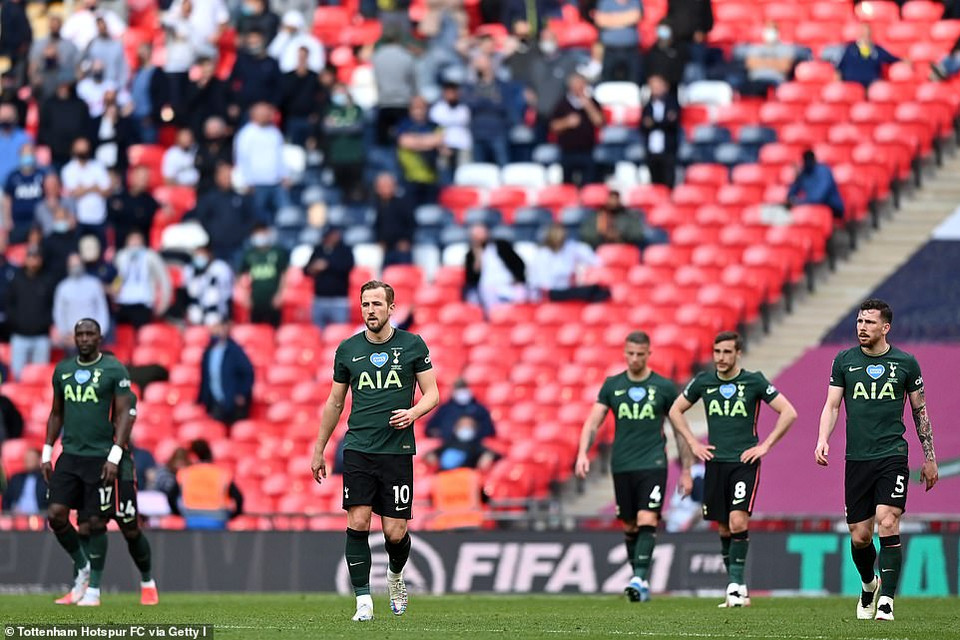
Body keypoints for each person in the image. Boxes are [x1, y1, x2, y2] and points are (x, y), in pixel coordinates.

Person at [310, 280, 440, 621]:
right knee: (358, 520)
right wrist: (319, 448)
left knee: (395, 532)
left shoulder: (412, 346)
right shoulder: (348, 349)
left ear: (391, 308)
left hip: (397, 451)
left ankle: (395, 576)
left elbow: (433, 394)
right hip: (358, 449)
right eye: (366, 304)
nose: (370, 310)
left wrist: (412, 413)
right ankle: (363, 601)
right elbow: (335, 401)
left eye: (377, 304)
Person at [815, 299, 939, 622]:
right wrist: (822, 439)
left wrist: (930, 458)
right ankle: (870, 584)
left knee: (887, 521)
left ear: (886, 328)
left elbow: (919, 411)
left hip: (893, 456)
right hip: (857, 459)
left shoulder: (906, 363)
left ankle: (886, 601)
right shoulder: (844, 361)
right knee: (860, 535)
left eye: (869, 322)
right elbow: (831, 406)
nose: (862, 327)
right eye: (859, 321)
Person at [668, 331, 797, 608]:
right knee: (725, 528)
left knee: (738, 521)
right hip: (715, 463)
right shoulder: (704, 381)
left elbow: (788, 412)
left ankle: (737, 587)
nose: (721, 357)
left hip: (744, 463)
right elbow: (675, 410)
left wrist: (765, 445)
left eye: (727, 352)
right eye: (717, 352)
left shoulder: (754, 381)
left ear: (738, 353)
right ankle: (735, 586)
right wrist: (692, 442)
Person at [576, 331, 692, 602]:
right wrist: (583, 453)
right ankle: (639, 578)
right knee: (629, 526)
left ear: (649, 354)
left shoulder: (663, 387)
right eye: (631, 353)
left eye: (641, 354)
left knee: (647, 519)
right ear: (624, 353)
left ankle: (639, 578)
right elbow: (593, 422)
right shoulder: (612, 385)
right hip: (622, 464)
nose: (635, 359)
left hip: (652, 463)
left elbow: (680, 429)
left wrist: (686, 470)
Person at [42, 318, 139, 606]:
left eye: (90, 334)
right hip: (70, 455)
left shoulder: (113, 369)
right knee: (56, 515)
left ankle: (94, 590)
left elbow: (124, 414)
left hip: (100, 457)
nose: (84, 338)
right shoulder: (64, 370)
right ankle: (82, 565)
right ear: (74, 338)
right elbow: (56, 412)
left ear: (100, 338)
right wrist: (47, 451)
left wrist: (114, 456)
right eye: (80, 334)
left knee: (96, 521)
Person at [169, 438, 244, 529]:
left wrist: (178, 512)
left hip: (192, 517)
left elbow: (171, 495)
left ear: (193, 456)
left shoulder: (185, 473)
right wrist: (234, 515)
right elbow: (238, 497)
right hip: (217, 517)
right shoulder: (222, 474)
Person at [234, 102, 290, 224]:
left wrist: (285, 175)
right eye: (264, 113)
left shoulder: (274, 133)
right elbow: (242, 159)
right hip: (256, 184)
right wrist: (246, 181)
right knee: (259, 219)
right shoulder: (246, 134)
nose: (268, 115)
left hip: (276, 183)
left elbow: (280, 156)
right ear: (254, 115)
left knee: (286, 215)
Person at [8, 247, 55, 379]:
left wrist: (45, 323)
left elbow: (53, 306)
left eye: (36, 257)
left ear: (41, 260)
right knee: (18, 376)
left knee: (39, 376)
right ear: (26, 259)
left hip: (41, 337)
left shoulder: (47, 279)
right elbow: (8, 304)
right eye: (31, 257)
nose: (33, 261)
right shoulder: (16, 279)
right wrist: (16, 323)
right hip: (19, 335)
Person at [550, 73, 604, 186]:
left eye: (581, 84)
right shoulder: (562, 104)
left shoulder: (592, 102)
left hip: (587, 151)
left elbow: (599, 121)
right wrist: (567, 122)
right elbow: (553, 126)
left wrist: (588, 106)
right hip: (567, 152)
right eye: (576, 84)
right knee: (568, 185)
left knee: (588, 184)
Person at [530, 223, 607, 302]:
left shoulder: (570, 247)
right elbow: (542, 283)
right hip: (550, 292)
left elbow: (595, 260)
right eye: (556, 234)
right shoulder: (542, 254)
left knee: (598, 291)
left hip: (567, 289)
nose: (559, 237)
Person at [198, 318, 254, 425]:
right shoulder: (208, 351)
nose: (217, 330)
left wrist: (241, 393)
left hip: (233, 401)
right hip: (215, 401)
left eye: (219, 327)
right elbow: (205, 377)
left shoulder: (234, 350)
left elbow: (247, 373)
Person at [113, 232, 172, 328]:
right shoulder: (121, 256)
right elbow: (118, 277)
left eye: (137, 240)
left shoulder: (151, 256)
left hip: (143, 303)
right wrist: (114, 295)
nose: (135, 243)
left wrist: (163, 304)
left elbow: (164, 279)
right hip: (123, 302)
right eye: (132, 240)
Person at [53, 253, 110, 353]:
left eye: (78, 264)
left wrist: (100, 333)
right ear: (68, 266)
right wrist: (65, 334)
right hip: (71, 339)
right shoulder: (62, 287)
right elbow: (59, 313)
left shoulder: (94, 284)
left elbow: (102, 310)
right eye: (73, 265)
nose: (76, 268)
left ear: (83, 265)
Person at [464, 223, 527, 310]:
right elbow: (471, 279)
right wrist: (477, 257)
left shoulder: (502, 246)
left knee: (521, 295)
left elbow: (519, 264)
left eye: (481, 233)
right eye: (476, 235)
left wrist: (517, 279)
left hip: (509, 285)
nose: (479, 237)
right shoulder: (471, 255)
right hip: (486, 290)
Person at [60, 137, 110, 245]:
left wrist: (83, 188)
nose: (82, 152)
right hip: (79, 219)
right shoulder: (68, 169)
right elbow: (73, 193)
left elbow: (106, 191)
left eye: (85, 149)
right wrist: (94, 187)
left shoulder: (98, 167)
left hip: (98, 217)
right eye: (80, 149)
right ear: (74, 150)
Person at [372, 26, 418, 146]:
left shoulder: (377, 56)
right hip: (403, 103)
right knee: (403, 141)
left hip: (384, 102)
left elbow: (376, 80)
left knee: (384, 142)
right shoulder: (406, 56)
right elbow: (413, 81)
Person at [239, 224, 288, 326]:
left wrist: (280, 295)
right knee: (256, 331)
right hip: (256, 299)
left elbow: (284, 275)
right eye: (257, 234)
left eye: (262, 233)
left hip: (273, 299)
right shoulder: (249, 254)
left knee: (274, 330)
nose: (260, 237)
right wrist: (245, 296)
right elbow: (242, 277)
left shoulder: (277, 253)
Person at [305, 226, 354, 328]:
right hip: (319, 299)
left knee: (339, 333)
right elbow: (306, 270)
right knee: (317, 333)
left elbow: (348, 266)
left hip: (338, 300)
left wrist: (327, 265)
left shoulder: (345, 250)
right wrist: (314, 268)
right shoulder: (318, 250)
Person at [641, 74, 680, 188]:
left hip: (668, 151)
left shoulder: (672, 104)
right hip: (651, 151)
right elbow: (644, 125)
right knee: (654, 184)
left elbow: (673, 123)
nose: (655, 89)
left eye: (658, 86)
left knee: (668, 183)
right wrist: (663, 122)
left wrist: (654, 123)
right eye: (653, 87)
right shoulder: (647, 106)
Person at [425, 378, 495, 443]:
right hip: (449, 444)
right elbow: (430, 429)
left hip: (475, 445)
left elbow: (489, 430)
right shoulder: (444, 409)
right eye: (459, 389)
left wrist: (475, 434)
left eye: (464, 388)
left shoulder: (479, 409)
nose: (462, 392)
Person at [3, 142, 46, 243]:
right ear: (20, 155)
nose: (27, 156)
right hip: (18, 223)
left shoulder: (41, 175)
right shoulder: (13, 176)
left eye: (30, 153)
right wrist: (8, 219)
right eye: (25, 154)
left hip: (37, 223)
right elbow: (7, 200)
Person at [182, 244, 234, 325]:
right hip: (196, 310)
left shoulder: (220, 268)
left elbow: (227, 293)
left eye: (202, 253)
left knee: (212, 293)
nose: (199, 257)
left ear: (209, 254)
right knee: (194, 314)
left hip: (216, 312)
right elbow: (187, 292)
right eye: (197, 254)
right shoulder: (189, 269)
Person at [787, 149, 845, 220]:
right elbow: (790, 196)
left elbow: (818, 198)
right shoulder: (803, 173)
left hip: (831, 208)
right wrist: (796, 178)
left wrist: (799, 202)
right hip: (813, 209)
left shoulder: (823, 171)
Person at [837, 23, 898, 89]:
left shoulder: (876, 49)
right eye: (862, 33)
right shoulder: (850, 49)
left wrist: (904, 61)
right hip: (852, 87)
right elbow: (839, 69)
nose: (865, 36)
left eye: (867, 33)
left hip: (872, 87)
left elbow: (892, 59)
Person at [373, 173, 415, 268]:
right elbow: (376, 226)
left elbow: (412, 224)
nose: (386, 189)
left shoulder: (403, 204)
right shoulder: (376, 205)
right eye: (382, 186)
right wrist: (379, 241)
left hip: (401, 247)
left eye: (388, 186)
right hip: (385, 248)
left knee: (402, 274)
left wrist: (407, 240)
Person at [426, 415, 497, 471]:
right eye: (462, 425)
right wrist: (430, 456)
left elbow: (494, 455)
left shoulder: (476, 446)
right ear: (456, 428)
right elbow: (431, 454)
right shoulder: (448, 443)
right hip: (444, 478)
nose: (465, 428)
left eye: (469, 426)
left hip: (466, 479)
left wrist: (488, 456)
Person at [595, 0, 643, 83]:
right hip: (610, 50)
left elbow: (635, 16)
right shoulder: (605, 2)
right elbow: (600, 21)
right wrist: (626, 18)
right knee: (607, 82)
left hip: (631, 50)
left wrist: (611, 19)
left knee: (634, 81)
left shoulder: (635, 1)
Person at [579, 190, 646, 248]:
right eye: (611, 198)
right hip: (599, 248)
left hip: (624, 248)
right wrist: (602, 234)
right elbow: (585, 234)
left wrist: (620, 235)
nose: (613, 201)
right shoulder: (595, 216)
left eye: (615, 198)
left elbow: (638, 234)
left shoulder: (628, 216)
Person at [2, 448, 47, 514]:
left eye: (31, 458)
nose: (28, 461)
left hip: (40, 516)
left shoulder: (46, 479)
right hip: (16, 516)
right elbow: (6, 500)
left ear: (39, 460)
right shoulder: (15, 478)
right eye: (26, 459)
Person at [0, 102, 32, 185]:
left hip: (17, 186)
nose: (5, 120)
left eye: (8, 117)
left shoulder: (25, 138)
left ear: (15, 118)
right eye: (3, 117)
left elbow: (28, 166)